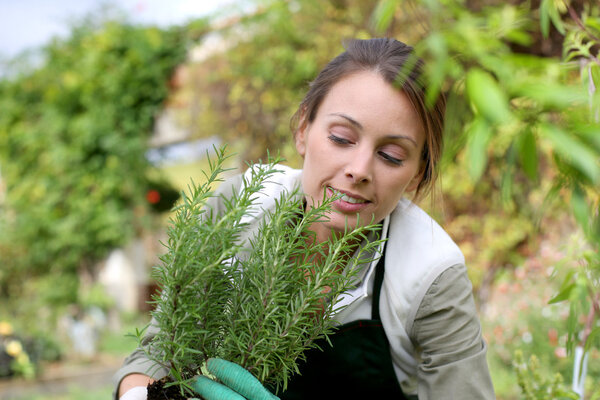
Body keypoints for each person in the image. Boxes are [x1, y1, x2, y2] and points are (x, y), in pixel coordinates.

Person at [114, 37, 495, 399]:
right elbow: (160, 347)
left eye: (392, 155)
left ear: (416, 173)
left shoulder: (431, 273)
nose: (359, 169)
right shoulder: (240, 208)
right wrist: (140, 393)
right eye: (342, 138)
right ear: (302, 130)